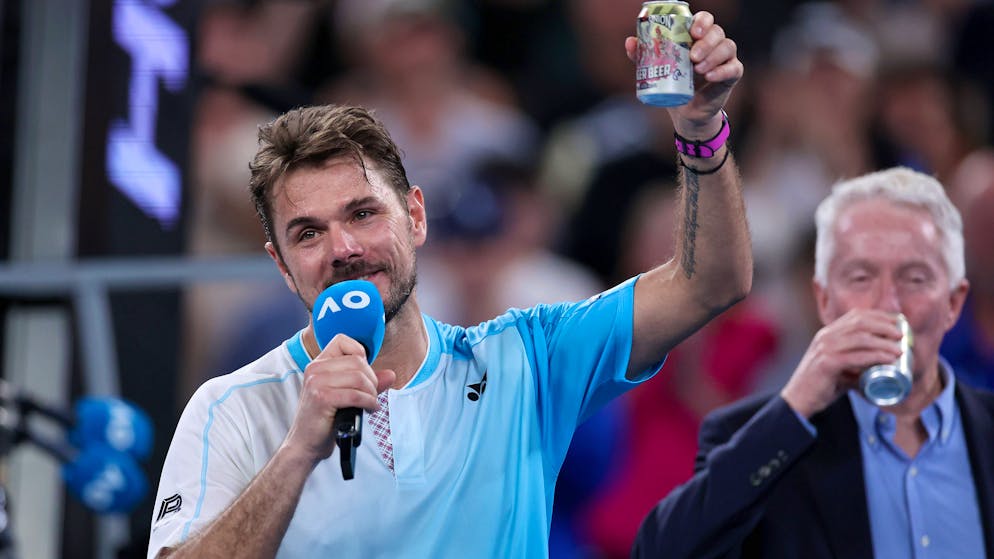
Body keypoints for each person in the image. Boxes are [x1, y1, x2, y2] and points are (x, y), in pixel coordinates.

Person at [148, 11, 749, 559]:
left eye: (363, 213)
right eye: (308, 233)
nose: (343, 248)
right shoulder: (230, 407)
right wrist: (297, 451)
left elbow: (710, 282)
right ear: (281, 265)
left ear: (415, 216)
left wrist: (700, 130)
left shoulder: (526, 359)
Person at [632, 167, 994, 559]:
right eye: (861, 277)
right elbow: (661, 552)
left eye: (915, 278)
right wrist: (792, 409)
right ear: (823, 301)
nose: (888, 304)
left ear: (954, 303)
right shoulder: (759, 439)